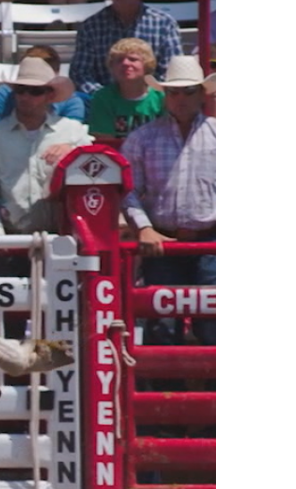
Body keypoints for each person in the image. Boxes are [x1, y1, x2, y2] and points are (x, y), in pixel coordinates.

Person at [0, 56, 92, 338]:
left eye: (34, 91)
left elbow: (96, 167)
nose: (26, 97)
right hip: (14, 240)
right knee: (13, 323)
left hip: (60, 241)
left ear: (49, 95)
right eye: (20, 90)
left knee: (61, 322)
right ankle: (16, 381)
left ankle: (53, 379)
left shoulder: (73, 134)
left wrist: (73, 154)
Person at [121, 55, 215, 348]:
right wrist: (145, 227)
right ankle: (168, 391)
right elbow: (126, 190)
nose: (180, 99)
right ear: (165, 96)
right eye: (174, 92)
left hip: (210, 243)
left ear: (202, 94)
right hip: (162, 242)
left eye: (188, 91)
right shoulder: (142, 138)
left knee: (213, 328)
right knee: (162, 327)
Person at [71, 0, 182, 99]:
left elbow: (173, 71)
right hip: (105, 106)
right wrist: (104, 97)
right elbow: (80, 74)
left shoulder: (164, 24)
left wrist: (148, 96)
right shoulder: (90, 26)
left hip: (155, 105)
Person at [86, 38, 164, 142]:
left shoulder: (162, 97)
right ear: (111, 67)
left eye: (133, 59)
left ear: (146, 65)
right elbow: (106, 143)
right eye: (119, 60)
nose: (125, 63)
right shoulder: (102, 98)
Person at [0, 46, 86, 126]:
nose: (25, 96)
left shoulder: (72, 102)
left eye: (36, 90)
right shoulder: (1, 96)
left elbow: (73, 135)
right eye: (20, 89)